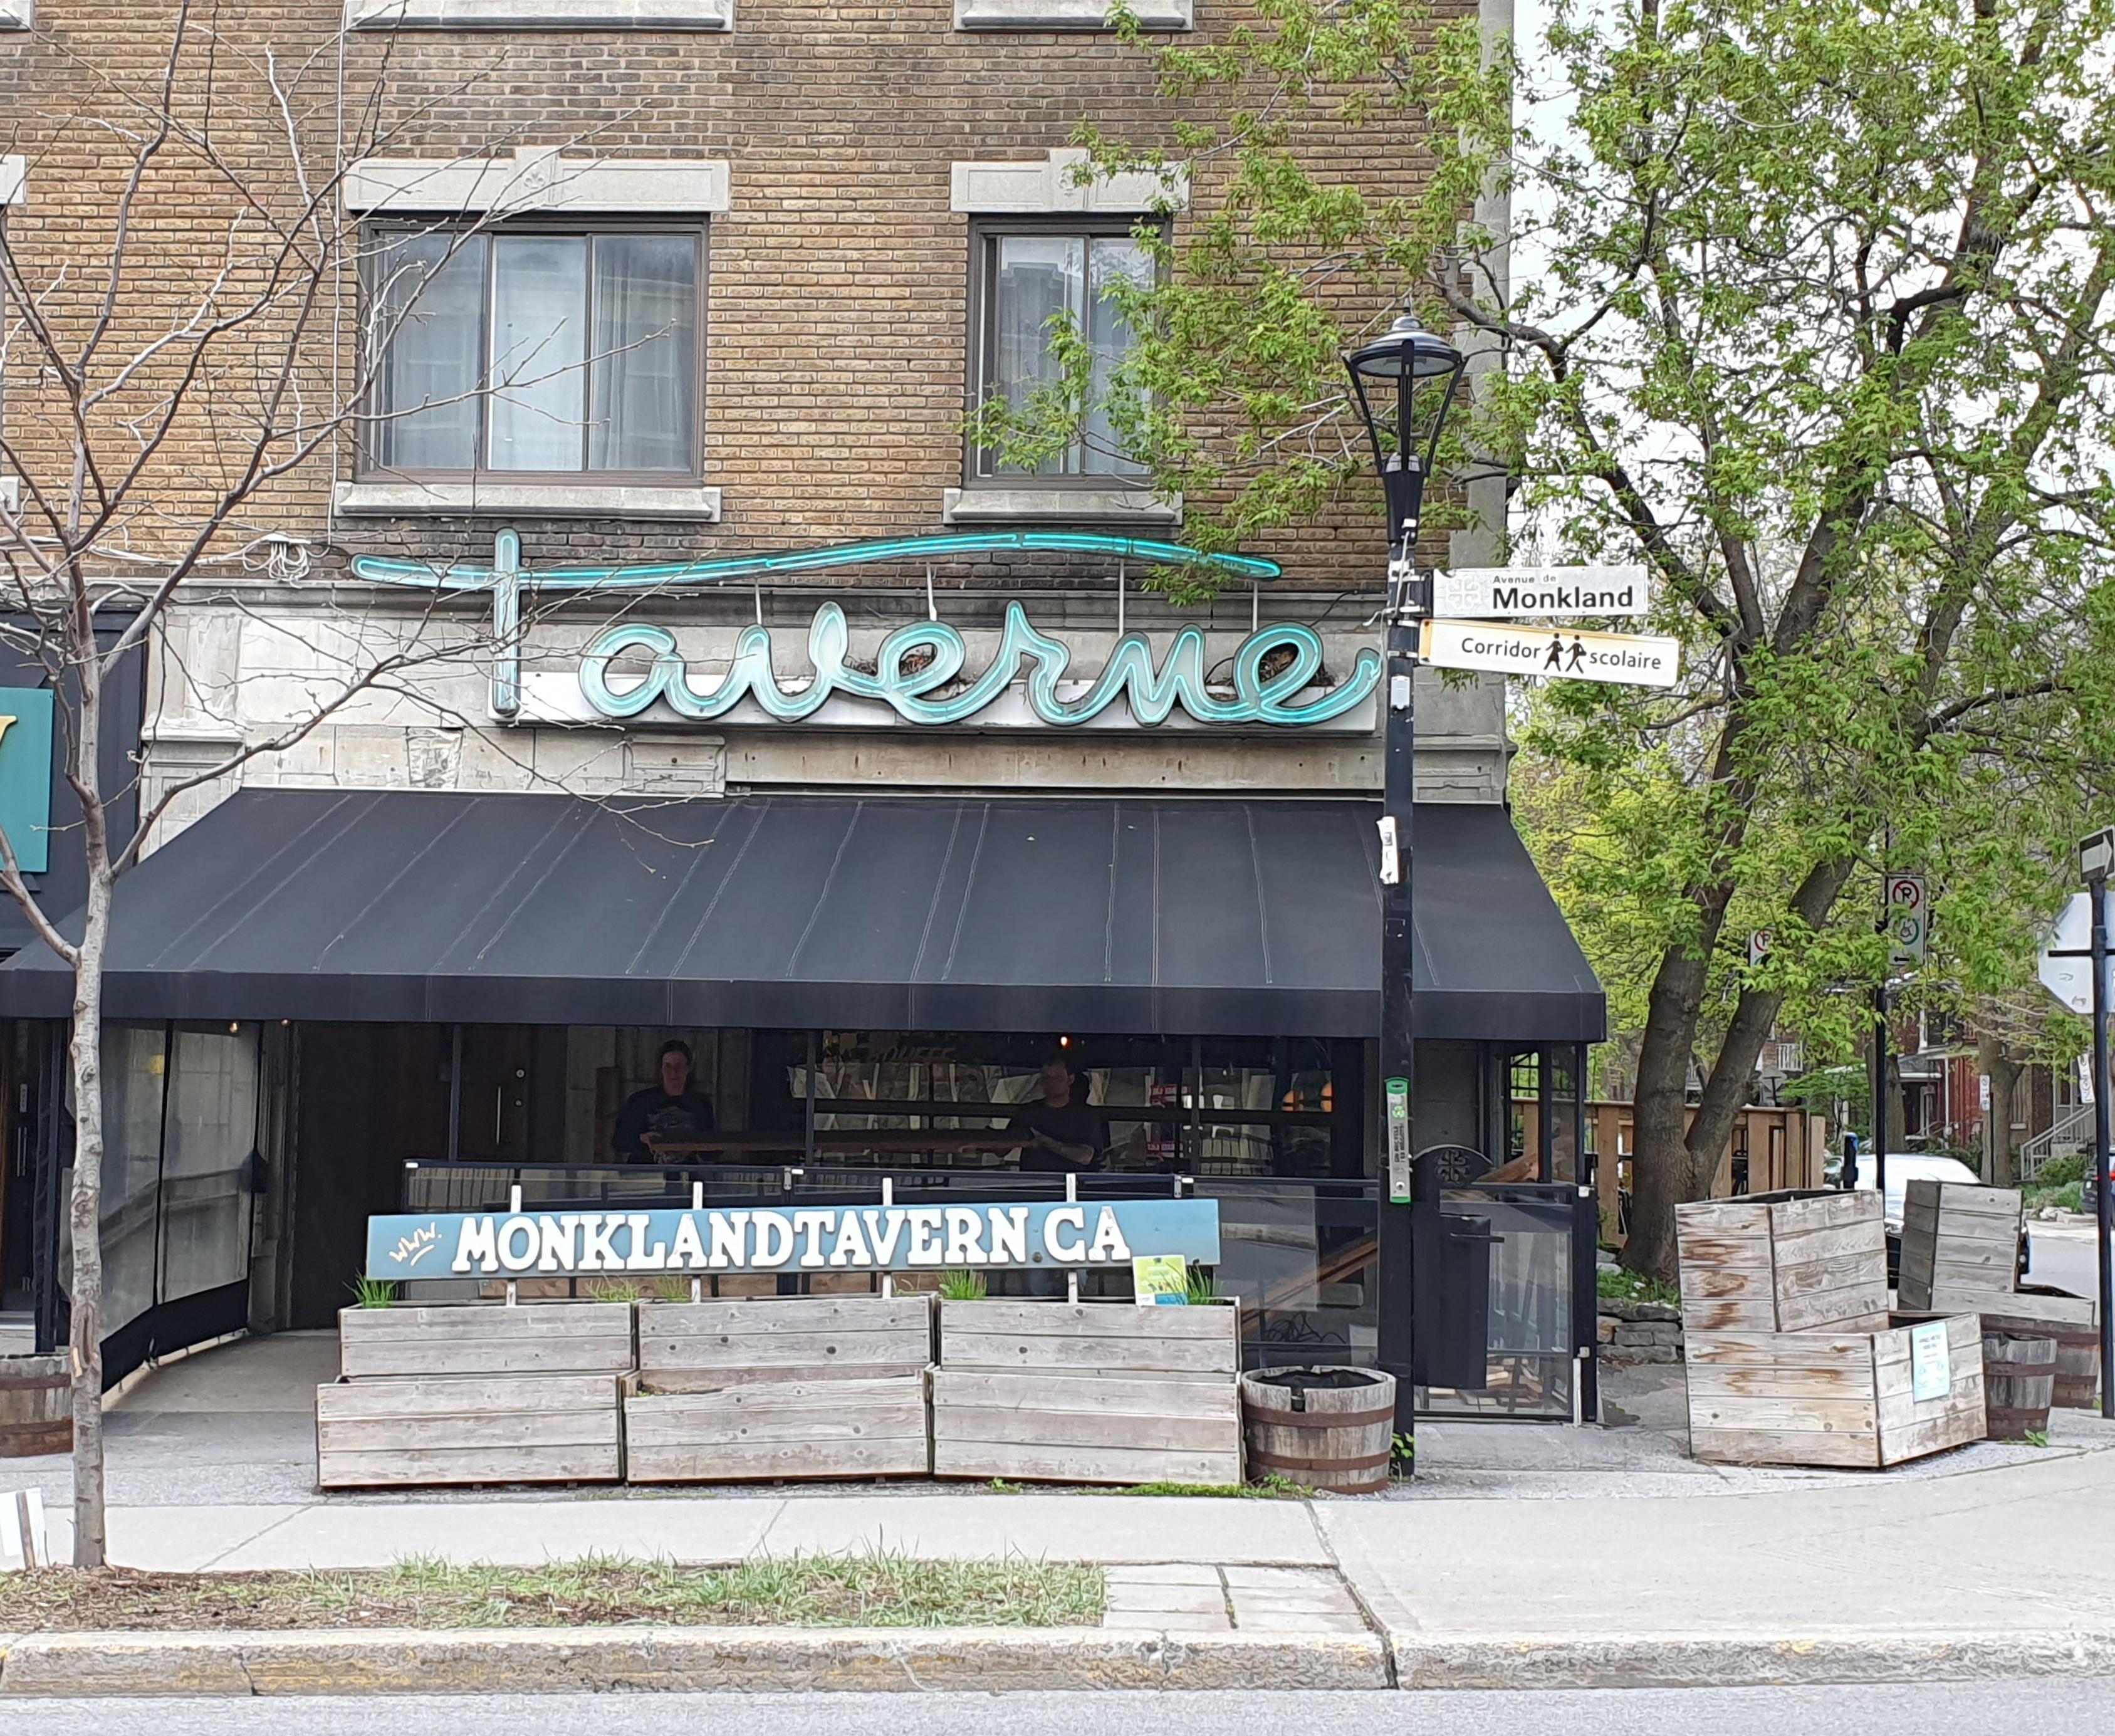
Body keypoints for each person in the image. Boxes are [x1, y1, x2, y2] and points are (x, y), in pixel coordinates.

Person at [612, 1038, 716, 1161]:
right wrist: (642, 1139)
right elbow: (619, 1141)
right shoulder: (640, 1101)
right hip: (645, 1174)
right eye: (668, 1066)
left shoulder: (701, 1105)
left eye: (679, 1066)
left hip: (684, 1175)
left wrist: (693, 1146)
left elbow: (711, 1152)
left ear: (688, 1068)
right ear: (661, 1069)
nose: (673, 1072)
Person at [1005, 1056, 1102, 1173]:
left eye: (1058, 1078)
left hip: (1074, 1186)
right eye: (1046, 1078)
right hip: (1033, 1186)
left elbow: (1086, 1157)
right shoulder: (1028, 1112)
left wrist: (1046, 1143)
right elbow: (1003, 1147)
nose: (1051, 1083)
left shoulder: (1087, 1115)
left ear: (1070, 1080)